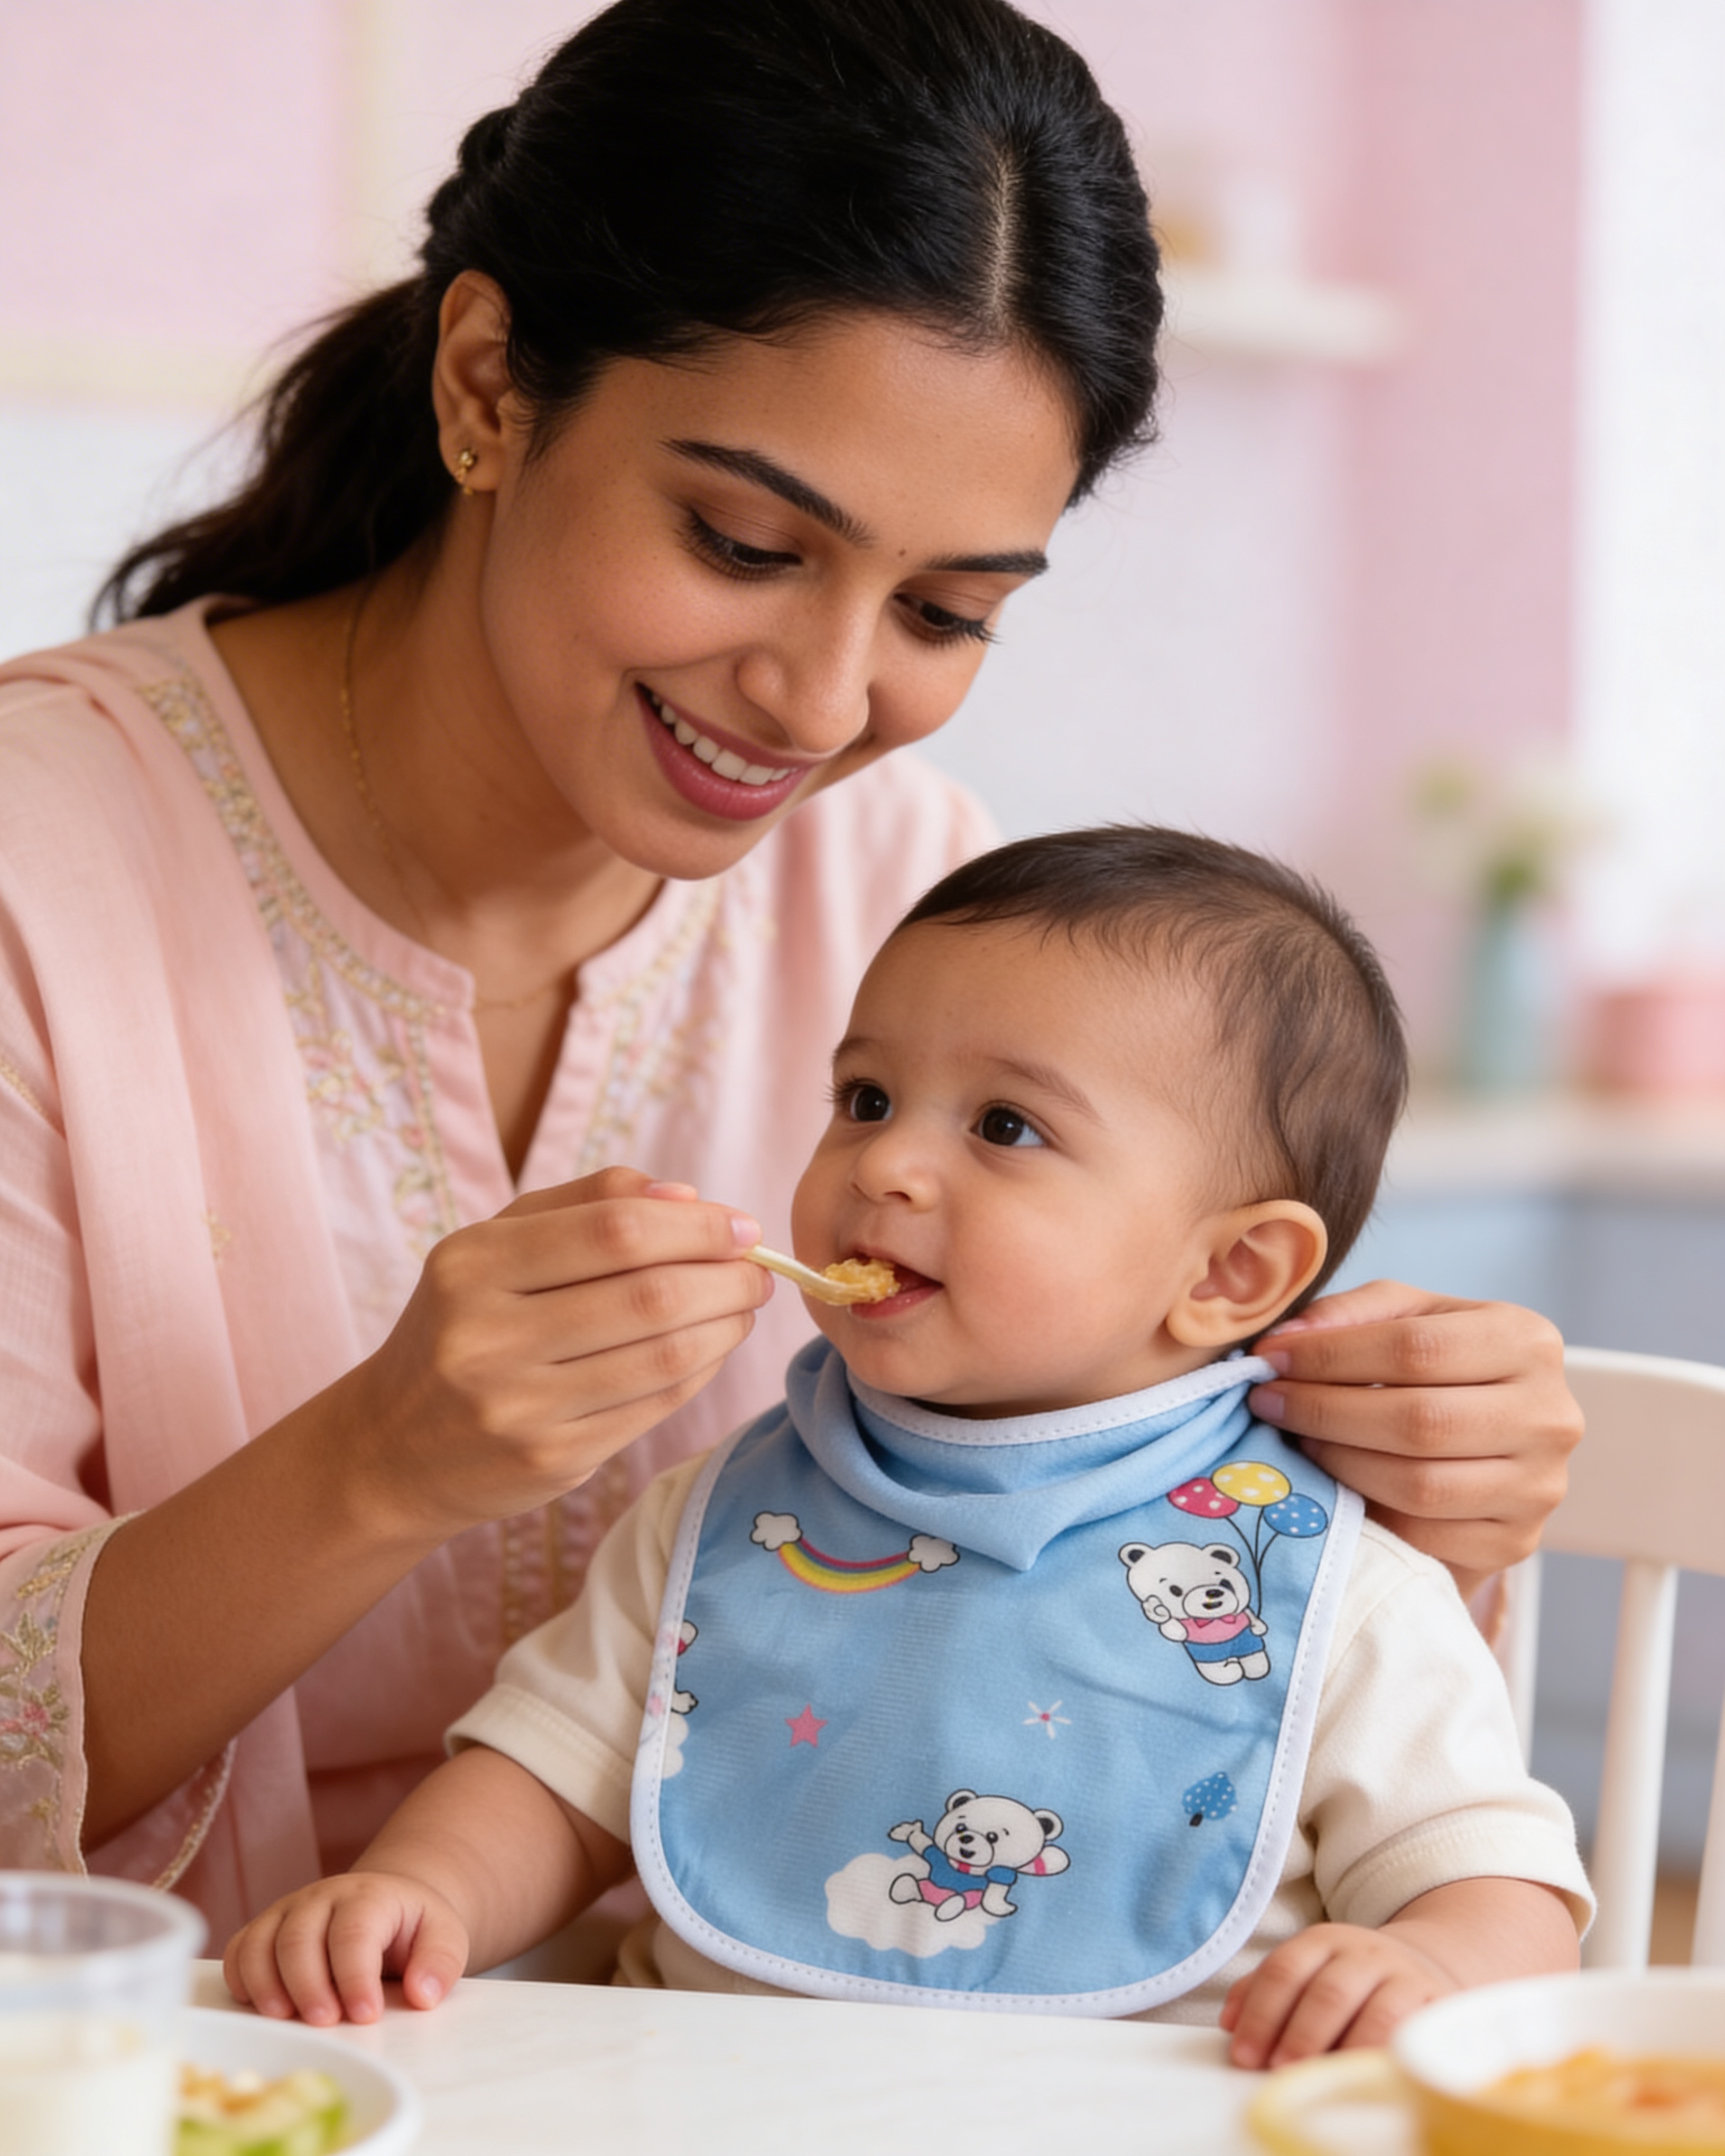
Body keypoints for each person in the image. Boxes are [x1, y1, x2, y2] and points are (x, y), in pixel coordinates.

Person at [0, 0, 1578, 1943]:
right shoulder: (32, 871)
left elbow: (1142, 1632)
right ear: (489, 383)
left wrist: (1422, 1500)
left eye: (941, 611)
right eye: (745, 541)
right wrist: (374, 1466)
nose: (826, 703)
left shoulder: (927, 906)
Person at [224, 829, 1589, 2062]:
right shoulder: (733, 1513)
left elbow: (1494, 1880)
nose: (884, 1165)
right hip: (699, 2102)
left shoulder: (1324, 1578)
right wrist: (420, 1890)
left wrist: (1421, 1961)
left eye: (1005, 1127)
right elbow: (553, 1775)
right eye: (867, 1099)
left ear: (1231, 1271)